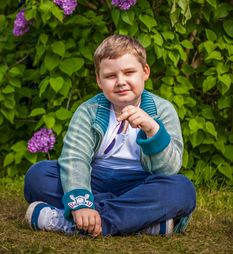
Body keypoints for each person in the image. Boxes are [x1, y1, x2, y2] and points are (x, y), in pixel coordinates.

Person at [24, 34, 196, 237]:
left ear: (145, 72)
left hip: (141, 184)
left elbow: (168, 169)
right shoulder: (89, 111)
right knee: (38, 175)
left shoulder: (162, 110)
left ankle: (75, 222)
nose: (121, 82)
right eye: (110, 76)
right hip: (94, 179)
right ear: (99, 80)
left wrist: (152, 130)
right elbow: (75, 159)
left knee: (182, 189)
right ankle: (139, 221)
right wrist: (81, 202)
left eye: (129, 72)